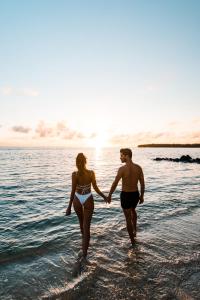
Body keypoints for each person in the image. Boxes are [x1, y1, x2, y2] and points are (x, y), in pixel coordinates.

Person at [66, 153, 107, 258]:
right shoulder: (91, 173)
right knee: (86, 227)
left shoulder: (74, 174)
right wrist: (104, 197)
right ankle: (85, 253)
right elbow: (96, 188)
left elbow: (72, 191)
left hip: (77, 199)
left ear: (76, 163)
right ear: (85, 161)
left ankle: (84, 244)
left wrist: (69, 207)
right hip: (88, 198)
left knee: (81, 224)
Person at [107, 148, 145, 245]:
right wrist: (142, 196)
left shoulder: (122, 169)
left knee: (128, 218)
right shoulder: (138, 168)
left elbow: (115, 183)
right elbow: (142, 184)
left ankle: (132, 242)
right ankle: (135, 231)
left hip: (126, 195)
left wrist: (110, 195)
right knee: (133, 210)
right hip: (135, 195)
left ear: (127, 156)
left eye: (121, 155)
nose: (120, 158)